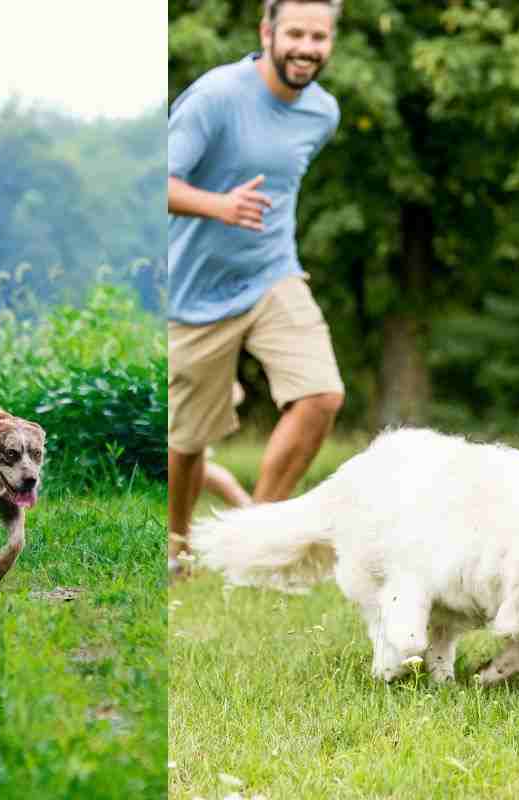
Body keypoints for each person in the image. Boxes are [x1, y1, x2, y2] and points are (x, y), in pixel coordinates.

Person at [167, 0, 345, 578]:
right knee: (188, 442)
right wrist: (219, 205)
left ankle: (257, 541)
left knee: (321, 395)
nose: (307, 47)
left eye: (319, 37)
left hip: (274, 275)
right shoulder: (217, 97)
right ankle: (176, 543)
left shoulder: (323, 113)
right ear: (267, 32)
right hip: (192, 292)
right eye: (295, 33)